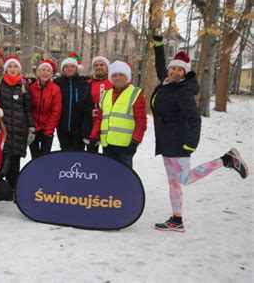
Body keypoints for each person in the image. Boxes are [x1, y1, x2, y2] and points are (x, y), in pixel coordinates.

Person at [151, 36, 249, 232]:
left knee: (184, 179)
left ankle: (226, 160)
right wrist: (159, 45)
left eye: (180, 70)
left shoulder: (184, 92)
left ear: (185, 73)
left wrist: (190, 144)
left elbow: (195, 119)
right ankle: (176, 220)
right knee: (174, 183)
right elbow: (160, 66)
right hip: (166, 142)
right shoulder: (166, 81)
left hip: (178, 142)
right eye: (173, 68)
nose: (174, 72)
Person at [88, 61, 147, 168]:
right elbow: (100, 120)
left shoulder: (135, 93)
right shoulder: (106, 94)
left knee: (124, 176)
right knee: (107, 174)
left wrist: (135, 141)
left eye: (121, 75)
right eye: (114, 75)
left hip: (125, 145)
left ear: (127, 77)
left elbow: (141, 122)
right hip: (107, 144)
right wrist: (93, 138)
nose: (117, 78)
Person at [0, 56, 34, 190]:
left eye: (15, 66)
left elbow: (28, 109)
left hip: (19, 129)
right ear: (6, 69)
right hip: (3, 128)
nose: (12, 69)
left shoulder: (24, 85)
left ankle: (13, 187)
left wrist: (31, 127)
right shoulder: (0, 84)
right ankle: (0, 187)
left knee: (15, 160)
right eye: (10, 66)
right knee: (3, 158)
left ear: (19, 69)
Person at [53, 52, 91, 151]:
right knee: (65, 155)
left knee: (78, 156)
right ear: (63, 70)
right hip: (62, 128)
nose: (69, 68)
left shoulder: (84, 82)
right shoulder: (57, 83)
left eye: (72, 66)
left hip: (79, 129)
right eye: (66, 67)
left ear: (76, 69)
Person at [29, 59, 62, 159]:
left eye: (48, 71)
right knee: (34, 158)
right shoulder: (31, 87)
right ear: (38, 73)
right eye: (43, 70)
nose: (45, 73)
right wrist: (31, 126)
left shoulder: (55, 89)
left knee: (44, 158)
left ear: (51, 74)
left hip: (47, 130)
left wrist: (48, 131)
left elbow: (56, 112)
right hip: (33, 129)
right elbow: (28, 108)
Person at [82, 56, 113, 153]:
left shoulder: (113, 82)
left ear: (107, 67)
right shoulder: (88, 83)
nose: (99, 67)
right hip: (91, 122)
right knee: (91, 155)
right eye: (96, 65)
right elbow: (83, 102)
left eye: (102, 65)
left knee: (108, 157)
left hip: (109, 122)